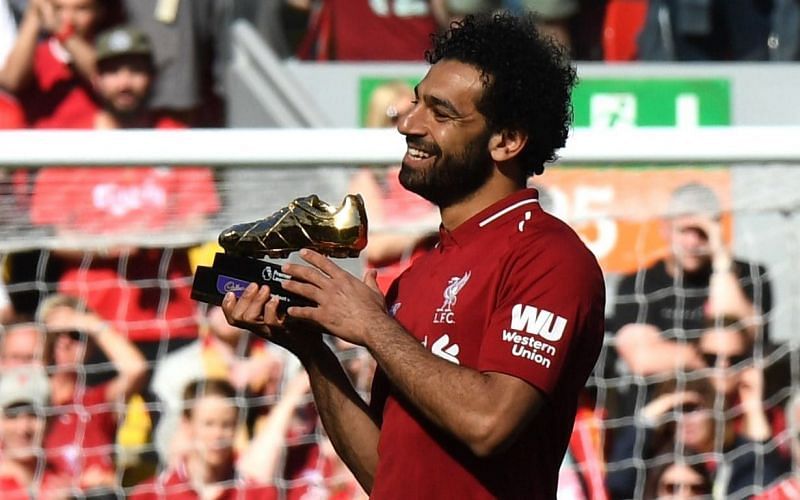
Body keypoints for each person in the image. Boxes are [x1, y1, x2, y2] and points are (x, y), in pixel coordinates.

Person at [224, 13, 605, 498]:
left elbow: (489, 422)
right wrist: (311, 351)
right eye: (415, 103)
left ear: (506, 141)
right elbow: (387, 475)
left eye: (440, 113)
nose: (407, 124)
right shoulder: (418, 274)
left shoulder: (549, 257)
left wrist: (373, 327)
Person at [29, 25, 220, 352]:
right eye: (114, 71)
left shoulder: (175, 137)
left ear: (152, 76)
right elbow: (48, 233)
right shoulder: (69, 145)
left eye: (135, 70)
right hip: (88, 322)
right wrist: (108, 245)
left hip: (170, 317)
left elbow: (200, 222)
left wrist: (151, 236)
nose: (125, 82)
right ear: (96, 78)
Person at [611, 182, 772, 416]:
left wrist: (721, 262)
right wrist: (712, 357)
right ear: (665, 229)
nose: (693, 242)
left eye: (702, 232)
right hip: (656, 419)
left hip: (729, 419)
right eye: (685, 230)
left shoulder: (750, 276)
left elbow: (749, 336)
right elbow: (642, 359)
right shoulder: (639, 284)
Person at [37, 293, 148, 493]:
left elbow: (136, 369)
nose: (64, 342)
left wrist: (90, 323)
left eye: (75, 334)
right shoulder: (22, 404)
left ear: (90, 346)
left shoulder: (96, 401)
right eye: (55, 335)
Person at [606, 377, 789, 499]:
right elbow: (619, 484)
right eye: (675, 410)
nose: (685, 420)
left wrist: (754, 410)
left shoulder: (739, 459)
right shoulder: (655, 459)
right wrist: (648, 417)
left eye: (693, 409)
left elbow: (770, 484)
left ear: (715, 410)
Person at [150, 305, 288, 466]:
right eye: (215, 304)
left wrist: (274, 391)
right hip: (201, 471)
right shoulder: (176, 368)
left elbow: (304, 430)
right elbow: (168, 444)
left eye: (237, 300)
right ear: (201, 312)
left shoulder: (282, 358)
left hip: (274, 466)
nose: (226, 310)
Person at [348, 80, 439, 293]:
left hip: (433, 279)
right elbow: (374, 247)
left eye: (414, 112)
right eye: (394, 116)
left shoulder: (433, 169)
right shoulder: (369, 179)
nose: (407, 124)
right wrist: (428, 225)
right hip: (391, 288)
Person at [129, 377, 288, 499]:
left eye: (226, 425)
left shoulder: (257, 494)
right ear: (187, 424)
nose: (218, 435)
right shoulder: (150, 494)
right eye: (209, 424)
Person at [0, 0, 120, 128]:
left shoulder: (112, 52)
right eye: (58, 9)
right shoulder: (36, 55)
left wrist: (62, 31)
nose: (69, 18)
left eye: (81, 9)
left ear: (99, 12)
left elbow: (106, 77)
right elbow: (11, 82)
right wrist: (33, 17)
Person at [0, 365, 71, 498]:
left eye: (33, 415)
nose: (23, 428)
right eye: (12, 416)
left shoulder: (62, 479)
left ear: (50, 421)